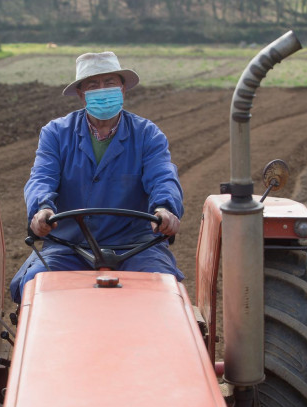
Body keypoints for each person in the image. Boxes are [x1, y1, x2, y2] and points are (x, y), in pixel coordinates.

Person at [10, 51, 184, 303]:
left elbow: (163, 176)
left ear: (123, 89)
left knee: (163, 288)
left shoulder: (147, 134)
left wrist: (165, 208)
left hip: (135, 245)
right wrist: (42, 208)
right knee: (37, 285)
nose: (103, 90)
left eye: (110, 83)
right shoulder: (56, 133)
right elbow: (41, 177)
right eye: (93, 85)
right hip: (70, 245)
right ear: (81, 94)